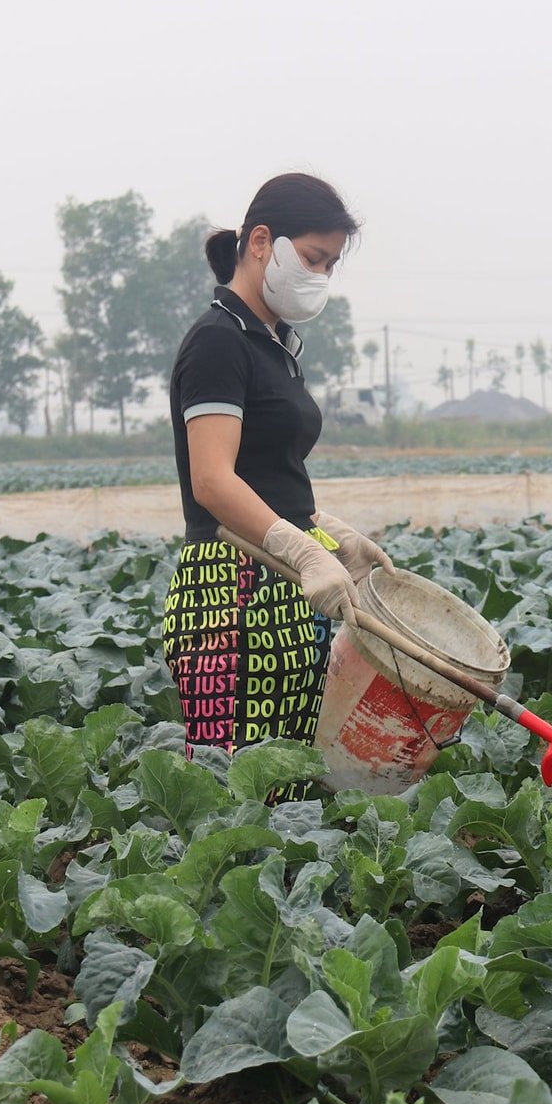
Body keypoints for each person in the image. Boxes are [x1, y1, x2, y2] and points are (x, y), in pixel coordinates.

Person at [162, 172, 392, 791]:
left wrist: (330, 535)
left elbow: (271, 475)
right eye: (314, 259)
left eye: (330, 265)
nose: (320, 277)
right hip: (232, 590)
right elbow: (212, 481)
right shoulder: (217, 342)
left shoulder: (271, 344)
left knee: (296, 787)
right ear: (261, 241)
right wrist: (296, 547)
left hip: (290, 586)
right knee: (239, 794)